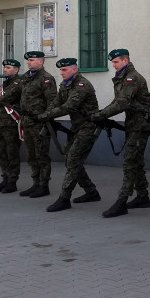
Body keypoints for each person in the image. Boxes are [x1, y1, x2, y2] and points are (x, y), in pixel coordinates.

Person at [92, 48, 150, 218]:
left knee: (130, 163)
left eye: (116, 61)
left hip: (140, 126)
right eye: (112, 62)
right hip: (133, 125)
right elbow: (117, 101)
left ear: (125, 61)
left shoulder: (132, 77)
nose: (113, 65)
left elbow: (122, 103)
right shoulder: (123, 77)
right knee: (136, 162)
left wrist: (101, 114)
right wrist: (101, 113)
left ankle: (122, 202)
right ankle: (142, 197)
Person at [36, 58, 101, 213]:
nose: (61, 73)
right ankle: (91, 192)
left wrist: (47, 115)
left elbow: (69, 106)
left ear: (74, 69)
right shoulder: (65, 85)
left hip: (88, 127)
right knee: (70, 160)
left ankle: (64, 198)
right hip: (76, 127)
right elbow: (56, 102)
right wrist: (45, 114)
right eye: (61, 70)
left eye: (64, 70)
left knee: (73, 160)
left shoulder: (82, 85)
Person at [18, 51, 57, 199]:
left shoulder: (46, 79)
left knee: (41, 155)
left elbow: (52, 102)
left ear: (40, 62)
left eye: (32, 60)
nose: (28, 62)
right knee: (31, 154)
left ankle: (44, 185)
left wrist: (45, 118)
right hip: (27, 121)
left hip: (39, 123)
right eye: (28, 60)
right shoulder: (26, 77)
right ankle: (35, 183)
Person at [0, 58, 23, 193]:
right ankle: (5, 178)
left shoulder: (17, 83)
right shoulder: (5, 84)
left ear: (16, 70)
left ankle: (12, 181)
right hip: (0, 124)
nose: (5, 70)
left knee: (12, 154)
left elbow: (5, 99)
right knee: (2, 154)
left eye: (9, 68)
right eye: (5, 68)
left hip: (11, 125)